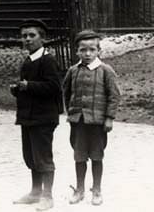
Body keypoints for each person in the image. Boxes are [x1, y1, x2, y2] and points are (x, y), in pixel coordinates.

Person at [10, 19, 64, 211]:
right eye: (24, 36)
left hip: (44, 117)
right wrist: (17, 89)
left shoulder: (48, 60)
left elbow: (54, 87)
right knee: (31, 156)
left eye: (32, 35)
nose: (27, 39)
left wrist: (29, 86)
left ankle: (47, 196)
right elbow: (29, 87)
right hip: (28, 116)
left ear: (43, 38)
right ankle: (35, 192)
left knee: (43, 157)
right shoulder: (29, 60)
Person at [63, 30, 120, 206]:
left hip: (97, 123)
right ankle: (79, 190)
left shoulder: (106, 71)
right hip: (78, 122)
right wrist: (70, 113)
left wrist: (109, 118)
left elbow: (114, 96)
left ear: (99, 51)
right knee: (79, 156)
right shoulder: (73, 71)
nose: (87, 54)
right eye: (83, 50)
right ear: (77, 51)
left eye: (92, 50)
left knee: (97, 156)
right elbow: (66, 93)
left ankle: (96, 189)